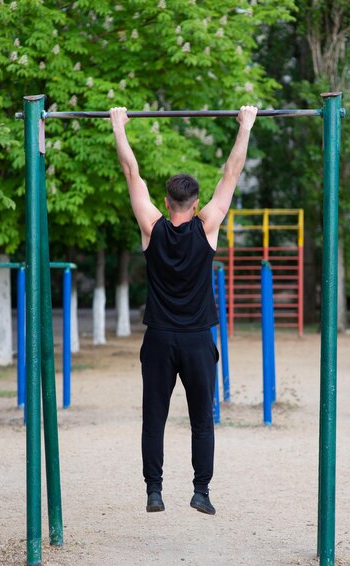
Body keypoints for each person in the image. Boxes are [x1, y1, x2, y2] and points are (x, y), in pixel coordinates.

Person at [110, 105, 258, 515]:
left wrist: (118, 126)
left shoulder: (151, 226)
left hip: (158, 338)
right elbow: (232, 173)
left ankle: (154, 491)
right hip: (196, 340)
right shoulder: (207, 227)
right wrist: (245, 126)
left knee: (154, 418)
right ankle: (201, 492)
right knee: (202, 422)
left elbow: (130, 173)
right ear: (195, 204)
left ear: (166, 201)